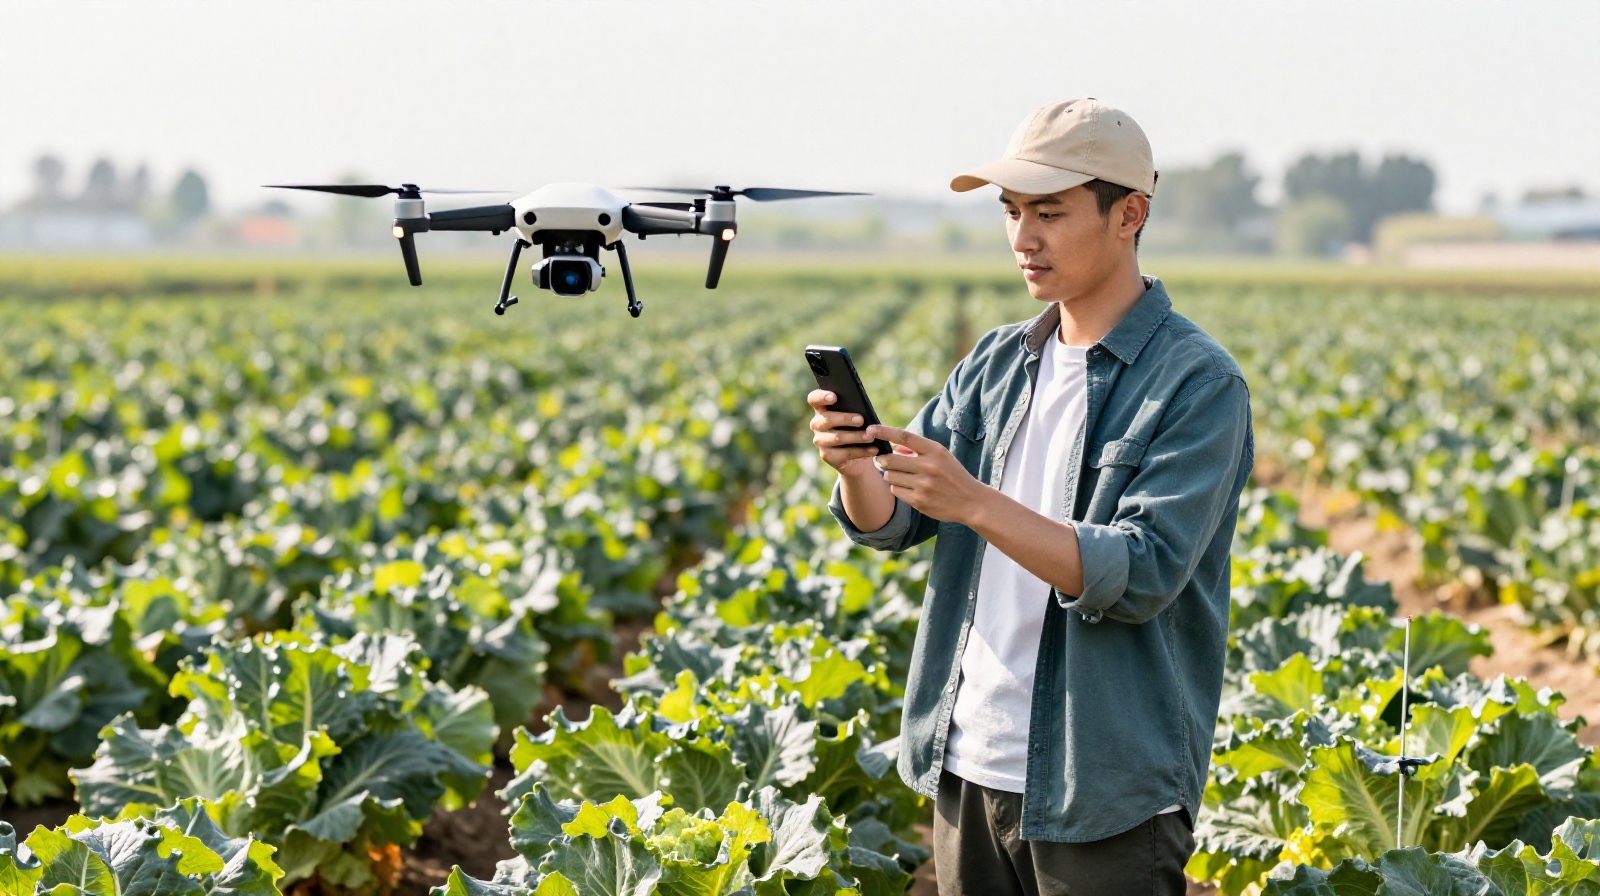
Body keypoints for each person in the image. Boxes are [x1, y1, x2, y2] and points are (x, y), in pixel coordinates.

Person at [807, 98, 1254, 895]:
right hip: (966, 762)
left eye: (1048, 212)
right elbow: (894, 521)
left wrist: (975, 502)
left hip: (1104, 788)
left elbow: (1143, 572)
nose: (1023, 238)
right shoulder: (996, 362)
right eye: (1011, 212)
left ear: (1130, 215)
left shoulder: (1197, 382)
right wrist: (856, 467)